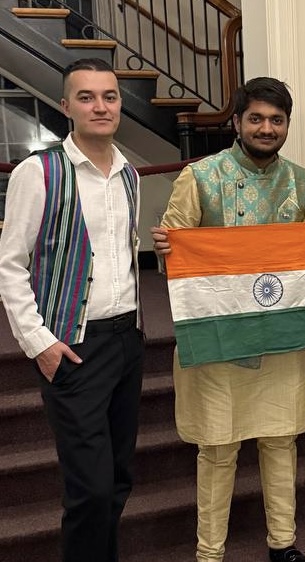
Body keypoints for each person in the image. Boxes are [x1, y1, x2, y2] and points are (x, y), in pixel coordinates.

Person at [151, 77, 305, 562]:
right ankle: (209, 553)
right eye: (257, 119)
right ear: (237, 122)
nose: (267, 128)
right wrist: (166, 249)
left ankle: (283, 545)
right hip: (220, 338)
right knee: (217, 449)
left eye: (277, 120)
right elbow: (174, 260)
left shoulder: (301, 181)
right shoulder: (200, 177)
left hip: (281, 335)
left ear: (287, 124)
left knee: (281, 440)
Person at [0, 58, 144, 561]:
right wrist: (39, 343)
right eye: (86, 97)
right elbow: (10, 265)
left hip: (127, 341)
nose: (100, 106)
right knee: (91, 489)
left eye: (109, 96)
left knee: (119, 478)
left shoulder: (129, 174)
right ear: (66, 106)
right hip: (73, 346)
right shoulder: (37, 172)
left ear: (119, 105)